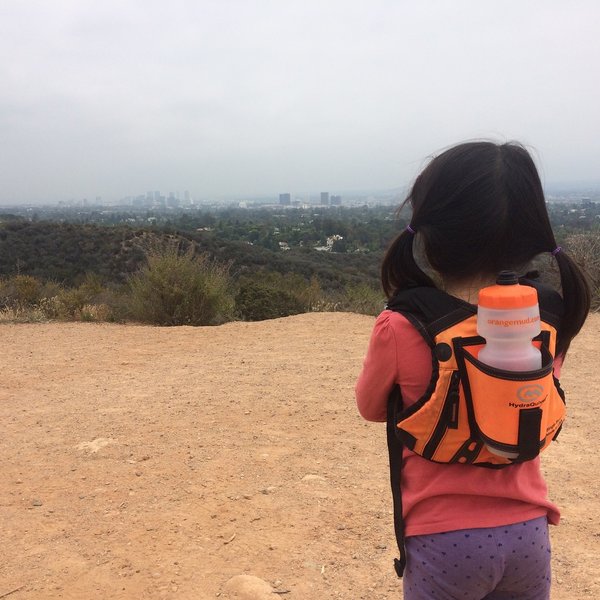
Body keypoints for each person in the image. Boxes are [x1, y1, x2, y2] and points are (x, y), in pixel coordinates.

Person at [355, 141, 590, 600]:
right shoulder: (548, 319)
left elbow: (370, 407)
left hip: (443, 540)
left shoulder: (401, 325)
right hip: (529, 533)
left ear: (429, 234)